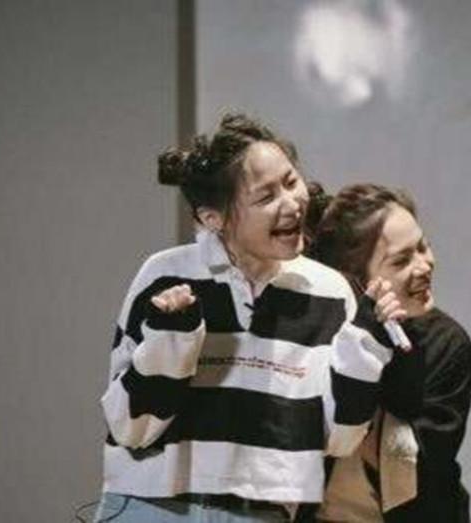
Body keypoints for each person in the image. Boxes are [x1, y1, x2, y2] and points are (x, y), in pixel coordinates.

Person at [95, 114, 403, 522]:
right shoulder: (166, 274)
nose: (292, 203)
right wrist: (173, 338)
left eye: (291, 182)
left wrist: (366, 345)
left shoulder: (328, 291)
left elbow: (338, 441)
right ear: (212, 217)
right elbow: (130, 427)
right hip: (150, 507)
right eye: (266, 197)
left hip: (261, 512)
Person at [306, 183, 471, 523]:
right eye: (401, 260)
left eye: (423, 247)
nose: (425, 265)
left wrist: (367, 368)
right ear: (356, 282)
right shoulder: (320, 333)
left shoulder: (446, 342)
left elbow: (418, 463)